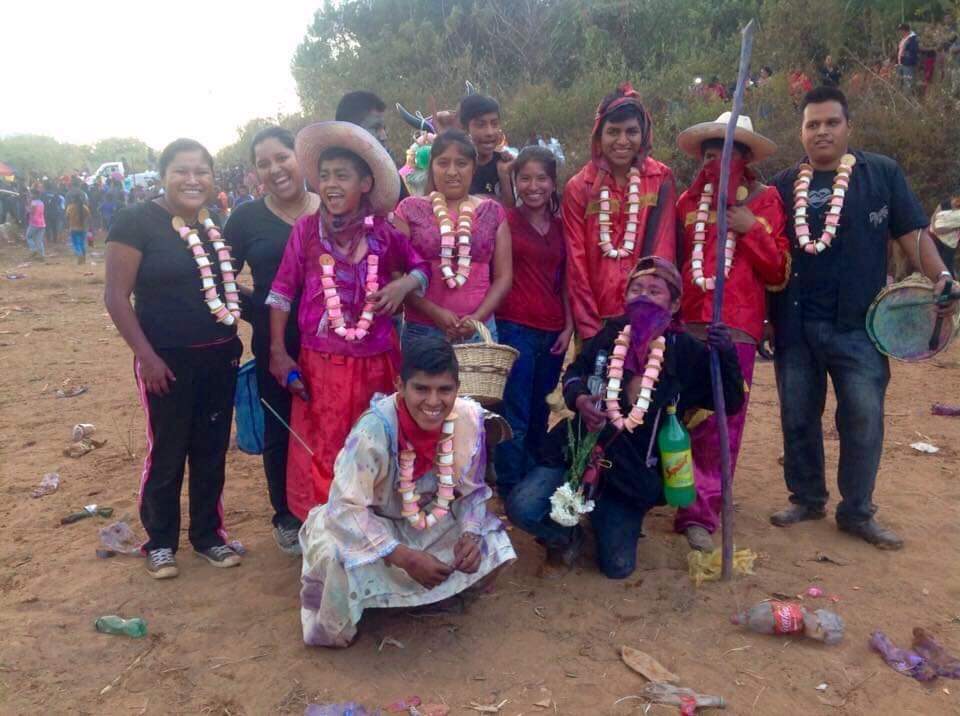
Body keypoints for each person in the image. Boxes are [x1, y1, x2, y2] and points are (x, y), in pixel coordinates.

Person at [769, 86, 960, 549]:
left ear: (848, 126)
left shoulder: (882, 174)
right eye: (813, 124)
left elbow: (913, 234)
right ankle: (807, 498)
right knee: (797, 416)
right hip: (795, 325)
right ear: (801, 132)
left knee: (863, 418)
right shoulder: (781, 186)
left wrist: (942, 277)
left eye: (831, 122)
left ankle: (857, 511)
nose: (822, 131)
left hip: (860, 326)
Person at [506, 257, 744, 578]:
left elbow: (729, 402)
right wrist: (580, 399)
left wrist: (726, 354)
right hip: (578, 453)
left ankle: (602, 516)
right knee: (522, 508)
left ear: (674, 304)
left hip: (631, 474)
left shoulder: (687, 351)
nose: (643, 296)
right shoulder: (611, 333)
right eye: (637, 289)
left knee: (617, 567)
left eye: (655, 291)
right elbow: (575, 373)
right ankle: (564, 538)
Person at [299, 336, 517, 646]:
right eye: (421, 389)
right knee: (335, 556)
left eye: (444, 390)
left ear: (458, 387)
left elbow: (472, 492)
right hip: (371, 524)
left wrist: (469, 535)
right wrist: (404, 557)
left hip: (426, 520)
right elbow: (344, 509)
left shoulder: (468, 419)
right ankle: (372, 610)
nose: (433, 402)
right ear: (400, 385)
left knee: (491, 539)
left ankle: (432, 596)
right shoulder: (374, 429)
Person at [267, 121, 429, 522]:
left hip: (377, 363)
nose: (331, 185)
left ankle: (374, 531)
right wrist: (277, 352)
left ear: (366, 183)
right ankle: (331, 532)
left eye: (342, 175)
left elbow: (421, 268)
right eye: (324, 176)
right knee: (326, 448)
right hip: (321, 366)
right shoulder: (306, 231)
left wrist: (402, 285)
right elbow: (282, 292)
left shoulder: (385, 234)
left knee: (376, 444)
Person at [104, 138, 244, 579]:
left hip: (219, 357)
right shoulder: (136, 221)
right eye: (182, 170)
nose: (192, 179)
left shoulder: (211, 222)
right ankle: (160, 542)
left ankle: (208, 537)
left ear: (212, 178)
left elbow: (218, 287)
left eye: (201, 171)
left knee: (211, 450)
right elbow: (116, 297)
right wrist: (146, 357)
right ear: (163, 175)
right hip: (165, 362)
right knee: (167, 451)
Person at [669, 112, 790, 551]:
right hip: (688, 323)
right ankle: (676, 494)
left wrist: (750, 229)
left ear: (744, 158)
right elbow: (676, 262)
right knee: (680, 414)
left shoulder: (765, 201)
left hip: (735, 327)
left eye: (725, 153)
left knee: (723, 421)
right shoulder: (686, 203)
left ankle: (700, 513)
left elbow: (777, 270)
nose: (714, 161)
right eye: (708, 153)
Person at [223, 126, 320, 554]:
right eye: (264, 163)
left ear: (300, 157)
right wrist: (260, 316)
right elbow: (221, 280)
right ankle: (287, 515)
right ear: (254, 173)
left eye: (282, 157)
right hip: (276, 347)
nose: (275, 169)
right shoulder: (245, 219)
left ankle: (335, 506)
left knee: (335, 422)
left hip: (337, 343)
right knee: (281, 428)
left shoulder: (333, 202)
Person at [562, 83, 676, 341]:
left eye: (631, 131)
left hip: (646, 318)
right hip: (595, 319)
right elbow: (576, 264)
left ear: (643, 134)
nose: (622, 141)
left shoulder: (661, 178)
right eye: (613, 132)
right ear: (598, 136)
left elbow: (663, 251)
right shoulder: (579, 187)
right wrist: (590, 328)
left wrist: (651, 317)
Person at [494, 146, 573, 498]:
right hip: (515, 326)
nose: (533, 186)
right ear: (515, 182)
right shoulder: (505, 221)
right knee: (515, 408)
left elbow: (567, 279)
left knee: (542, 407)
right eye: (524, 178)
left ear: (553, 183)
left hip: (553, 329)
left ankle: (531, 479)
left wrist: (568, 326)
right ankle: (510, 483)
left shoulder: (562, 227)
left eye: (541, 178)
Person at [396, 129, 512, 344]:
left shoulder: (492, 211)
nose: (452, 172)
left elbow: (504, 277)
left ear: (473, 168)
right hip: (423, 331)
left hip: (479, 332)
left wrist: (477, 318)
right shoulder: (409, 209)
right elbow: (395, 274)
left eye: (461, 163)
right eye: (443, 163)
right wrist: (433, 312)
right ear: (432, 167)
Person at [335, 89, 409, 201]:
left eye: (383, 128)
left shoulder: (390, 172)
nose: (384, 137)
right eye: (375, 128)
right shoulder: (327, 178)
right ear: (351, 131)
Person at [458, 94, 515, 207]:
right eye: (481, 125)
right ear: (465, 128)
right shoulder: (454, 166)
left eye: (494, 124)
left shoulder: (507, 164)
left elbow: (510, 211)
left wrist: (504, 176)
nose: (490, 132)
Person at [65, 193, 91, 264]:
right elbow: (89, 217)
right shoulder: (84, 207)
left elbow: (67, 216)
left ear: (73, 199)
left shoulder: (70, 207)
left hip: (73, 228)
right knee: (82, 243)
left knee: (76, 243)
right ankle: (83, 258)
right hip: (83, 228)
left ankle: (79, 255)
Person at [897, 23, 920, 90]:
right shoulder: (904, 38)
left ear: (905, 30)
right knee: (899, 83)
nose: (899, 32)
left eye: (901, 30)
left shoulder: (913, 38)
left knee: (907, 84)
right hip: (901, 63)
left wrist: (905, 57)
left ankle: (907, 96)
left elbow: (914, 50)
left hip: (908, 64)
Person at [25, 188, 46, 259]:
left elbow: (32, 212)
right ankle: (42, 255)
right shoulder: (41, 202)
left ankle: (33, 249)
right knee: (39, 240)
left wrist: (27, 208)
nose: (30, 195)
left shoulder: (33, 202)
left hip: (34, 223)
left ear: (34, 195)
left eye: (31, 194)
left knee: (28, 236)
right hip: (42, 223)